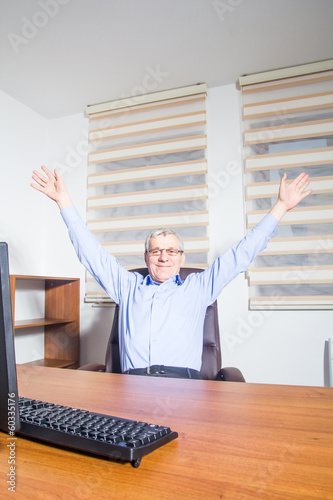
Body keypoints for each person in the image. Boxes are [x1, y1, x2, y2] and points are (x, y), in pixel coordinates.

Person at [31, 166, 312, 379]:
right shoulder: (127, 287)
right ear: (146, 257)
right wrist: (63, 202)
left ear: (181, 258)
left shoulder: (200, 287)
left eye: (171, 251)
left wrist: (281, 207)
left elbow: (242, 254)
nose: (164, 257)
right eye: (156, 251)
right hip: (132, 385)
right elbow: (90, 251)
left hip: (185, 386)